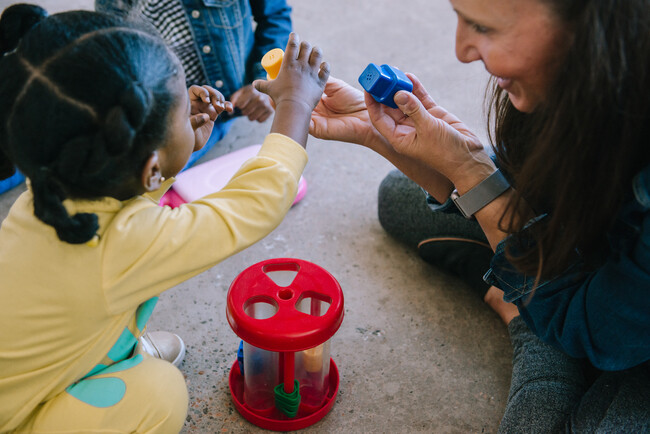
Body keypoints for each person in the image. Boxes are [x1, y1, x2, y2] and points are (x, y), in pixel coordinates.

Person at [309, 0, 650, 431]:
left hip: (626, 333)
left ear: (588, 28)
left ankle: (534, 322)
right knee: (399, 198)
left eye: (484, 28)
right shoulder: (593, 74)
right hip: (612, 268)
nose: (462, 51)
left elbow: (598, 331)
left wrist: (470, 171)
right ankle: (539, 304)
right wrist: (380, 133)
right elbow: (529, 187)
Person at [0, 3, 328, 431]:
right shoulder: (122, 249)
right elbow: (253, 206)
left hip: (30, 365)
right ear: (149, 166)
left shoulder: (49, 190)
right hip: (19, 414)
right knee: (159, 393)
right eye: (177, 109)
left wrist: (173, 151)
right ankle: (107, 367)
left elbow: (125, 200)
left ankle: (106, 353)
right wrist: (295, 105)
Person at [95, 0, 293, 169]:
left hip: (218, 103)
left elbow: (275, 16)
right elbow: (115, 36)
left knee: (140, 171)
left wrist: (265, 81)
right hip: (153, 95)